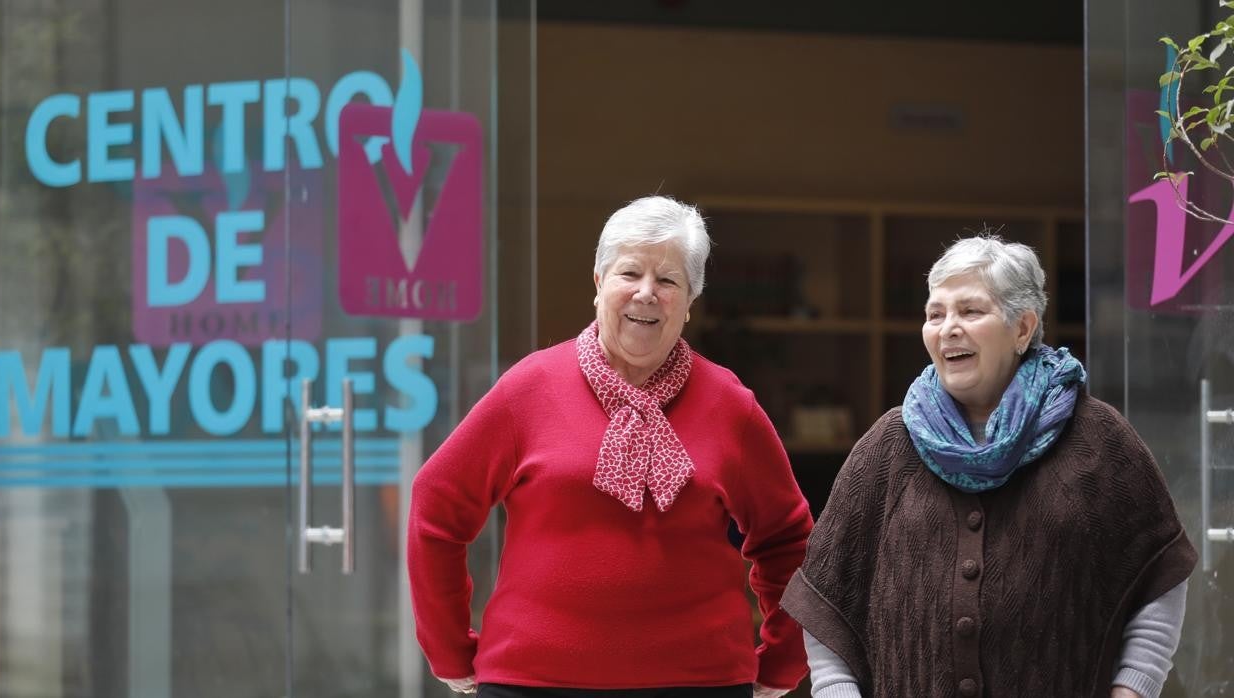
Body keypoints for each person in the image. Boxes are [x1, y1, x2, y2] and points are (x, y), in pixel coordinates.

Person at [408, 195, 813, 698]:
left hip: (699, 684)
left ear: (689, 304)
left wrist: (783, 660)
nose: (647, 293)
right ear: (598, 285)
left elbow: (788, 540)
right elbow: (437, 507)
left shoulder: (729, 404)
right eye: (629, 274)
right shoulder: (528, 388)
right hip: (531, 684)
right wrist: (447, 648)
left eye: (668, 281)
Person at [781, 235, 1198, 698]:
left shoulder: (1096, 439)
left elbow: (1158, 571)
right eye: (935, 314)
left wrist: (1134, 689)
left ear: (1023, 328)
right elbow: (827, 597)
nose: (947, 329)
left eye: (970, 312)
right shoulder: (888, 447)